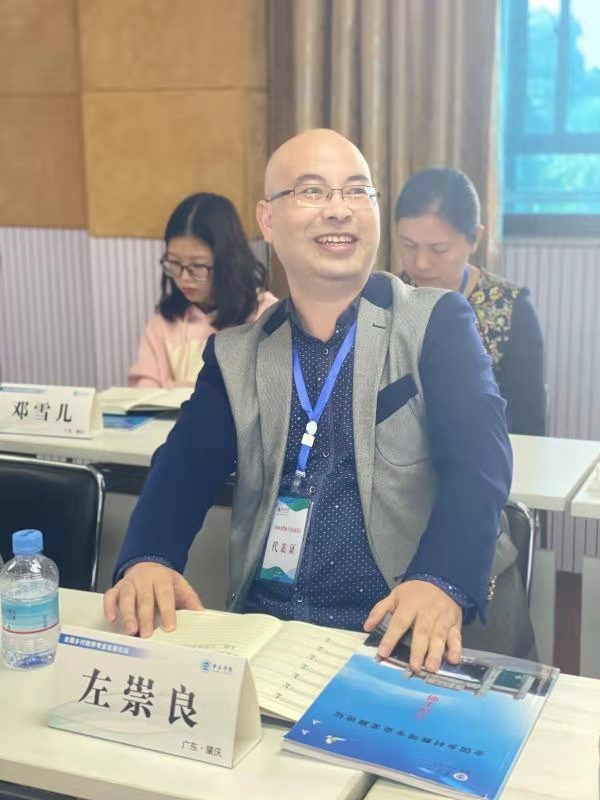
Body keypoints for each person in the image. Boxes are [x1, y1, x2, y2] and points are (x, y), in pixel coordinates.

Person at [105, 129, 534, 672]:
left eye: (357, 191)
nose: (339, 209)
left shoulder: (435, 323)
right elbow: (182, 467)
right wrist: (148, 558)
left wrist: (440, 579)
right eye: (312, 191)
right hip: (274, 633)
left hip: (403, 635)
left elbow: (481, 464)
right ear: (267, 220)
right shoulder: (236, 355)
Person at [395, 167, 546, 436]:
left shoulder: (511, 310)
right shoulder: (389, 299)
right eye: (409, 246)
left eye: (439, 249)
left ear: (475, 238)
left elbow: (528, 425)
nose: (421, 263)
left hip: (485, 453)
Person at [128, 192, 277, 388]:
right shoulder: (165, 320)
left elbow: (271, 389)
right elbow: (144, 383)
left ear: (228, 262)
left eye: (197, 266)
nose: (184, 278)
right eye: (174, 263)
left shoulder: (265, 314)